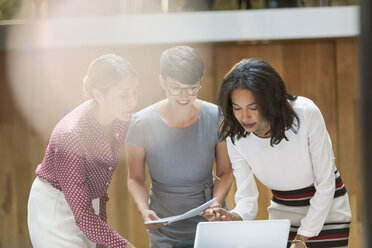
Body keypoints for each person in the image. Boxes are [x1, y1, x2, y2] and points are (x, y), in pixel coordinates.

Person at [212, 58, 352, 248]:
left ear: (271, 101)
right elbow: (247, 199)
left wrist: (302, 238)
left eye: (253, 107)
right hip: (283, 213)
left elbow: (326, 183)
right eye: (237, 108)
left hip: (328, 209)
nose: (244, 117)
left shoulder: (305, 113)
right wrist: (234, 216)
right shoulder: (236, 135)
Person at [125, 45, 233, 248]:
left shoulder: (215, 116)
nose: (184, 96)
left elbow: (225, 172)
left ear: (201, 81)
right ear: (162, 81)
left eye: (192, 88)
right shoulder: (141, 122)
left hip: (209, 222)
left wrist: (217, 202)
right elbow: (135, 178)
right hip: (165, 227)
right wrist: (143, 210)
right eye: (175, 88)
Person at [27, 54, 138, 248]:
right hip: (55, 208)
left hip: (88, 204)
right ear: (98, 94)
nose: (132, 102)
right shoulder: (70, 136)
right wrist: (124, 246)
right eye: (124, 94)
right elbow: (83, 216)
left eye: (134, 92)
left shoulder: (122, 117)